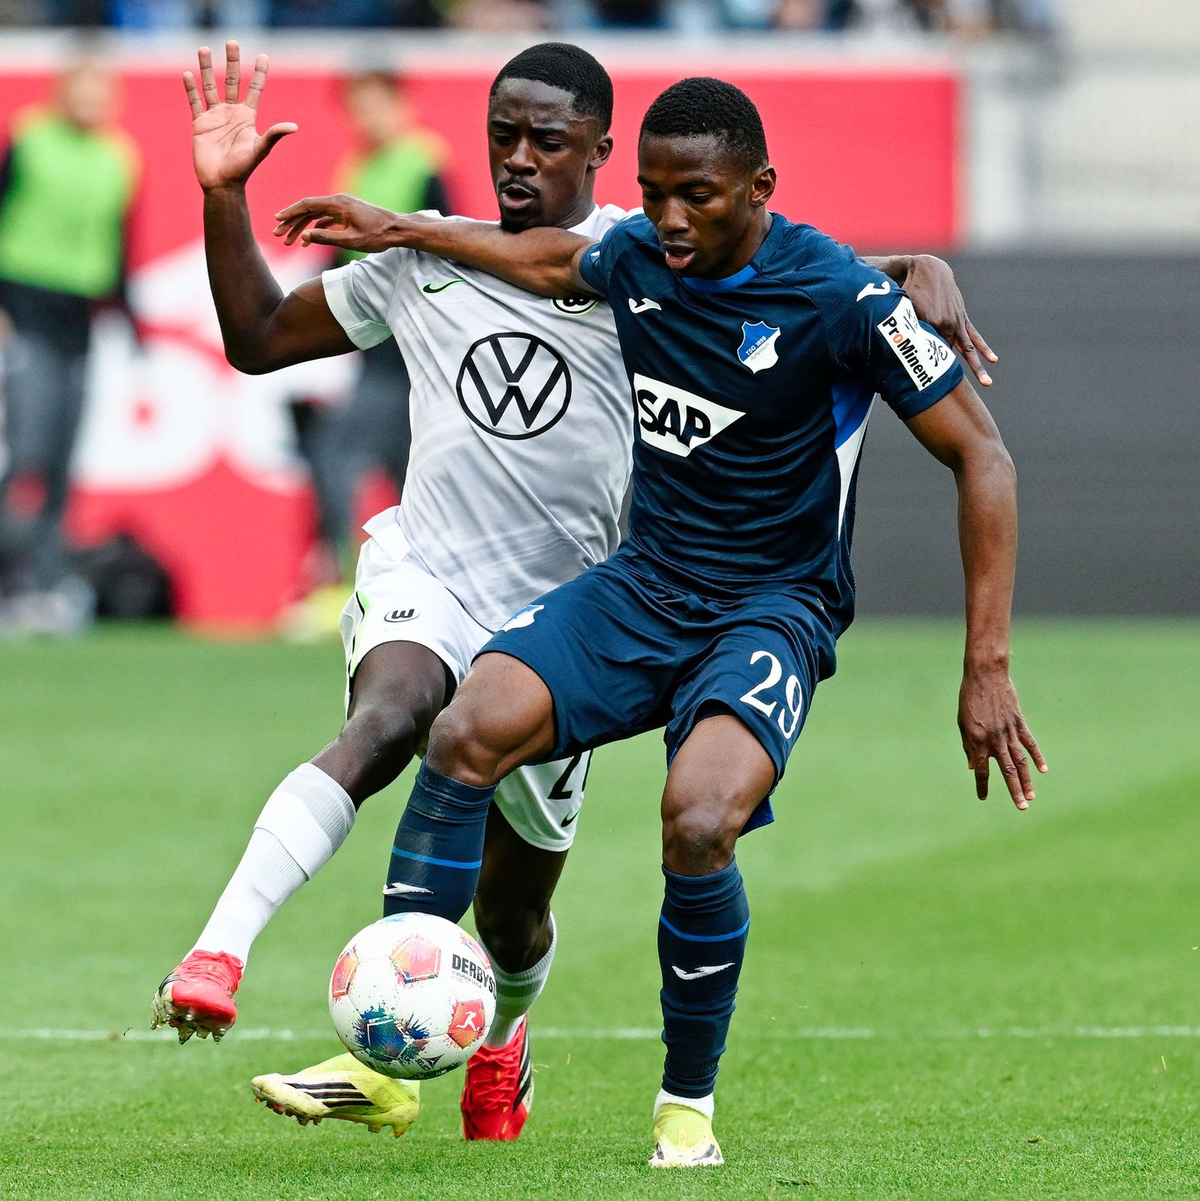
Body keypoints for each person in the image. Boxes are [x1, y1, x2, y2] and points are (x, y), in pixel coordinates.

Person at [150, 41, 994, 1147]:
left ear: (597, 150)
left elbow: (777, 269)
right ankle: (332, 1017)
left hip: (643, 596)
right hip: (501, 581)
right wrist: (262, 203)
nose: (516, 158)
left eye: (546, 140)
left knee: (549, 892)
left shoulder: (648, 256)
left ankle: (570, 1061)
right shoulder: (503, 258)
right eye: (501, 134)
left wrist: (908, 266)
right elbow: (263, 336)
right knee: (414, 719)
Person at [289, 70, 451, 613]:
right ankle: (417, 588)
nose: (368, 117)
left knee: (335, 451)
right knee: (404, 467)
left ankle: (340, 584)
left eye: (377, 104)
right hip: (373, 344)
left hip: (404, 345)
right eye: (358, 106)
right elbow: (337, 260)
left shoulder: (424, 164)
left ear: (403, 105)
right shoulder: (357, 167)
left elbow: (445, 247)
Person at [0, 59, 140, 631]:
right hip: (24, 312)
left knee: (61, 462)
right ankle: (10, 579)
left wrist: (129, 321)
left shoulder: (118, 156)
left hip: (79, 323)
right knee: (26, 455)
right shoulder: (30, 141)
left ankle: (46, 586)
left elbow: (119, 243)